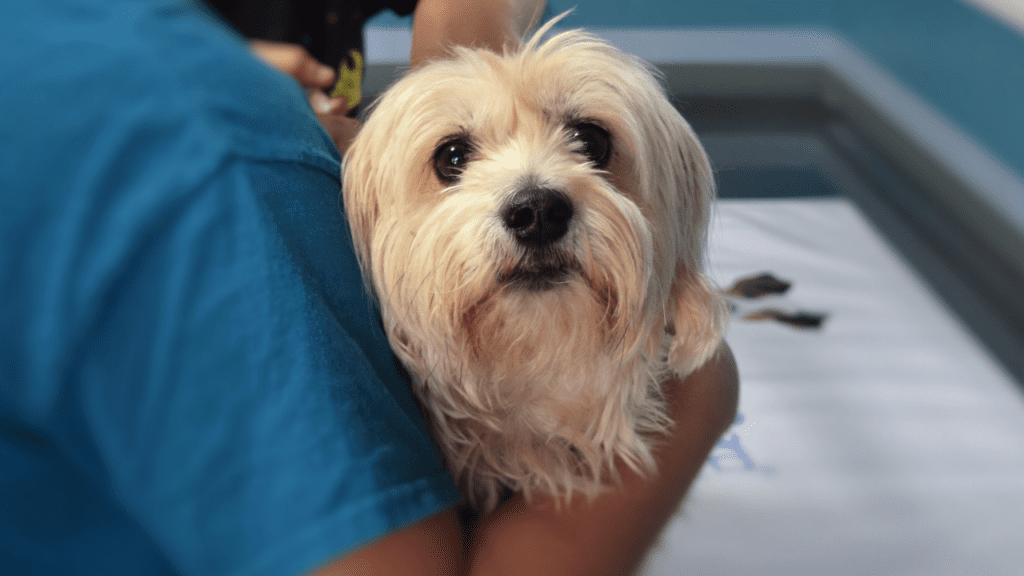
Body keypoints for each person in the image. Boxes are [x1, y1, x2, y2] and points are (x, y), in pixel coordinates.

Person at [0, 0, 739, 575]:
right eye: (455, 159)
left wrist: (450, 86)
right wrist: (703, 395)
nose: (536, 194)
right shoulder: (214, 168)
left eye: (591, 141)